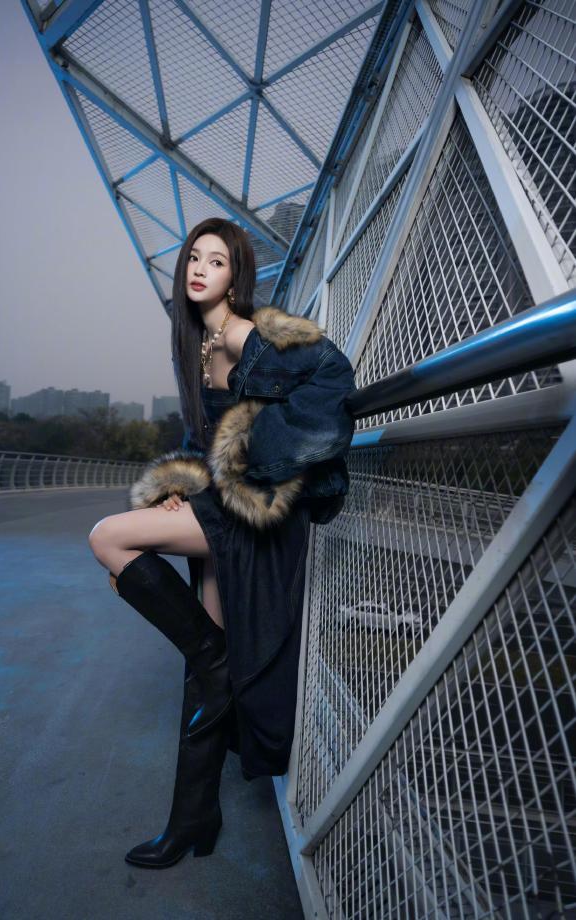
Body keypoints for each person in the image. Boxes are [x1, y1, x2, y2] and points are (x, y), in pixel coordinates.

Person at [88, 216, 356, 869]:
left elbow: (333, 374)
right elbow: (203, 439)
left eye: (217, 261)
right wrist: (178, 485)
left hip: (249, 515)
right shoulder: (199, 344)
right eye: (194, 259)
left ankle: (215, 664)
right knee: (205, 671)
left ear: (236, 276)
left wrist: (260, 463)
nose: (200, 269)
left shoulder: (243, 333)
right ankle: (192, 820)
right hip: (219, 508)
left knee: (109, 538)